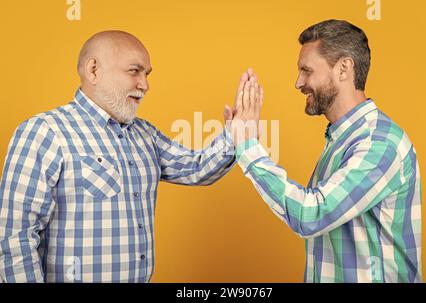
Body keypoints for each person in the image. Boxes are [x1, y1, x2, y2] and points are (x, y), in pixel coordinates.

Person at [0, 30, 245, 282]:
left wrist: (235, 135)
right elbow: (13, 237)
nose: (145, 85)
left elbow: (196, 169)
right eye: (134, 71)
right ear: (93, 70)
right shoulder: (45, 132)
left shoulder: (145, 134)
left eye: (147, 74)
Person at [228, 19, 422, 283]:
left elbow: (311, 215)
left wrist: (248, 149)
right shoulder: (341, 139)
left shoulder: (379, 142)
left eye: (307, 71)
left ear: (343, 69)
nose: (298, 83)